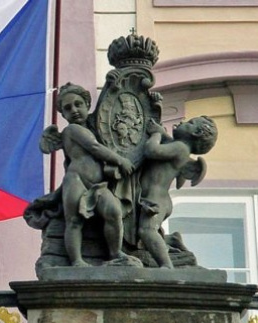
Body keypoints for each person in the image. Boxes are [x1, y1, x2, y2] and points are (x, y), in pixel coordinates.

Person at [55, 83, 135, 267]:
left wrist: (111, 84)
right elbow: (94, 147)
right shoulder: (72, 130)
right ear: (63, 115)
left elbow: (106, 108)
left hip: (97, 184)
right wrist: (120, 160)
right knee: (74, 221)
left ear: (87, 105)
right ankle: (76, 261)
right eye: (67, 108)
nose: (74, 110)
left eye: (78, 104)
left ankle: (115, 253)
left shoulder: (94, 126)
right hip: (76, 180)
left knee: (114, 212)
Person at [138, 116, 218, 268]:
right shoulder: (179, 147)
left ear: (197, 132)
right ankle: (173, 240)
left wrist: (156, 134)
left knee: (146, 231)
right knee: (144, 231)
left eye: (190, 123)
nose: (182, 122)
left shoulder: (180, 148)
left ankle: (166, 266)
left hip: (155, 199)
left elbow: (151, 150)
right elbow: (168, 142)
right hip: (159, 198)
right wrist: (162, 133)